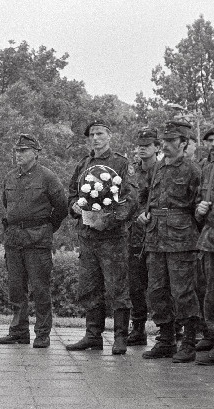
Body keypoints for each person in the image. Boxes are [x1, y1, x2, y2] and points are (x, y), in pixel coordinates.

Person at [66, 120, 135, 355]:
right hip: (88, 235)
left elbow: (130, 198)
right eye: (92, 135)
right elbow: (72, 194)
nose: (95, 138)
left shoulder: (121, 164)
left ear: (109, 136)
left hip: (112, 237)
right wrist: (73, 206)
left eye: (100, 133)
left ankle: (120, 337)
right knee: (90, 286)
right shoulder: (83, 164)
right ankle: (93, 335)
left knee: (118, 288)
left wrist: (112, 220)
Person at [138, 120, 203, 362]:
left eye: (171, 140)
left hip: (181, 239)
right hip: (155, 237)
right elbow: (145, 195)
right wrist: (143, 213)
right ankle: (165, 339)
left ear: (184, 143)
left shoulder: (192, 170)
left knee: (183, 291)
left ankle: (188, 341)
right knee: (156, 291)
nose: (165, 145)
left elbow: (199, 207)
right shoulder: (157, 168)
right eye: (163, 141)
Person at [0, 134, 68, 348]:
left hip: (37, 240)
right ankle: (19, 331)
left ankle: (42, 333)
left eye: (24, 150)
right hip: (14, 239)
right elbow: (6, 204)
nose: (19, 154)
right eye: (17, 151)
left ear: (36, 153)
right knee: (16, 288)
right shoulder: (10, 177)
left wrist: (47, 228)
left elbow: (62, 207)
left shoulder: (47, 177)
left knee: (40, 288)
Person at [126, 127, 160, 346]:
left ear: (157, 147)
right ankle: (137, 329)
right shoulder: (131, 172)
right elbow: (127, 199)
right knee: (135, 285)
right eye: (139, 145)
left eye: (147, 145)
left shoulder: (162, 170)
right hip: (135, 236)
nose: (142, 149)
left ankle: (170, 330)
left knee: (159, 286)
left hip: (159, 236)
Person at [195, 131, 214, 365]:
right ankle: (211, 334)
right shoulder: (207, 169)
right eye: (209, 141)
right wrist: (199, 211)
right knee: (209, 290)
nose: (212, 145)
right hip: (210, 237)